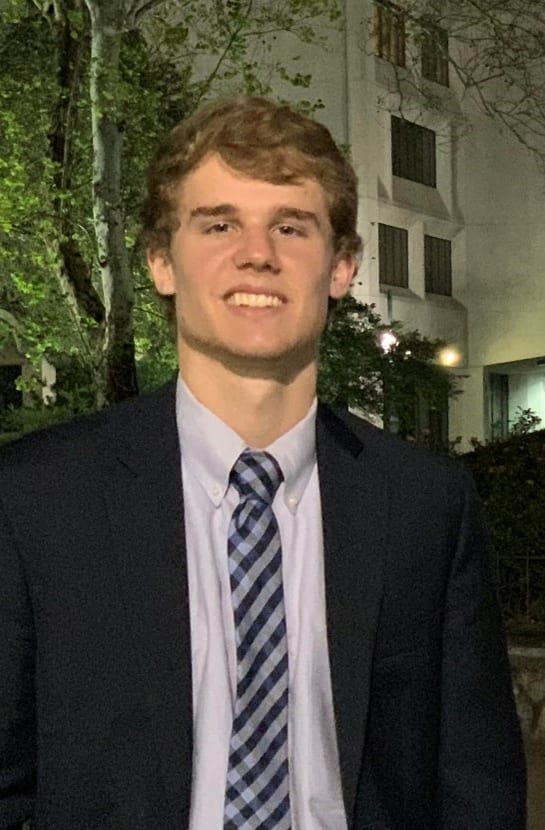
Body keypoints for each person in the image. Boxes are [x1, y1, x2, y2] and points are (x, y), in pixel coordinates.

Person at [0, 96, 525, 830]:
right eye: (219, 224)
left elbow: (475, 785)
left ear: (342, 266)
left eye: (290, 226)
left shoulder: (425, 504)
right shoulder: (36, 501)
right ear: (160, 261)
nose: (257, 253)